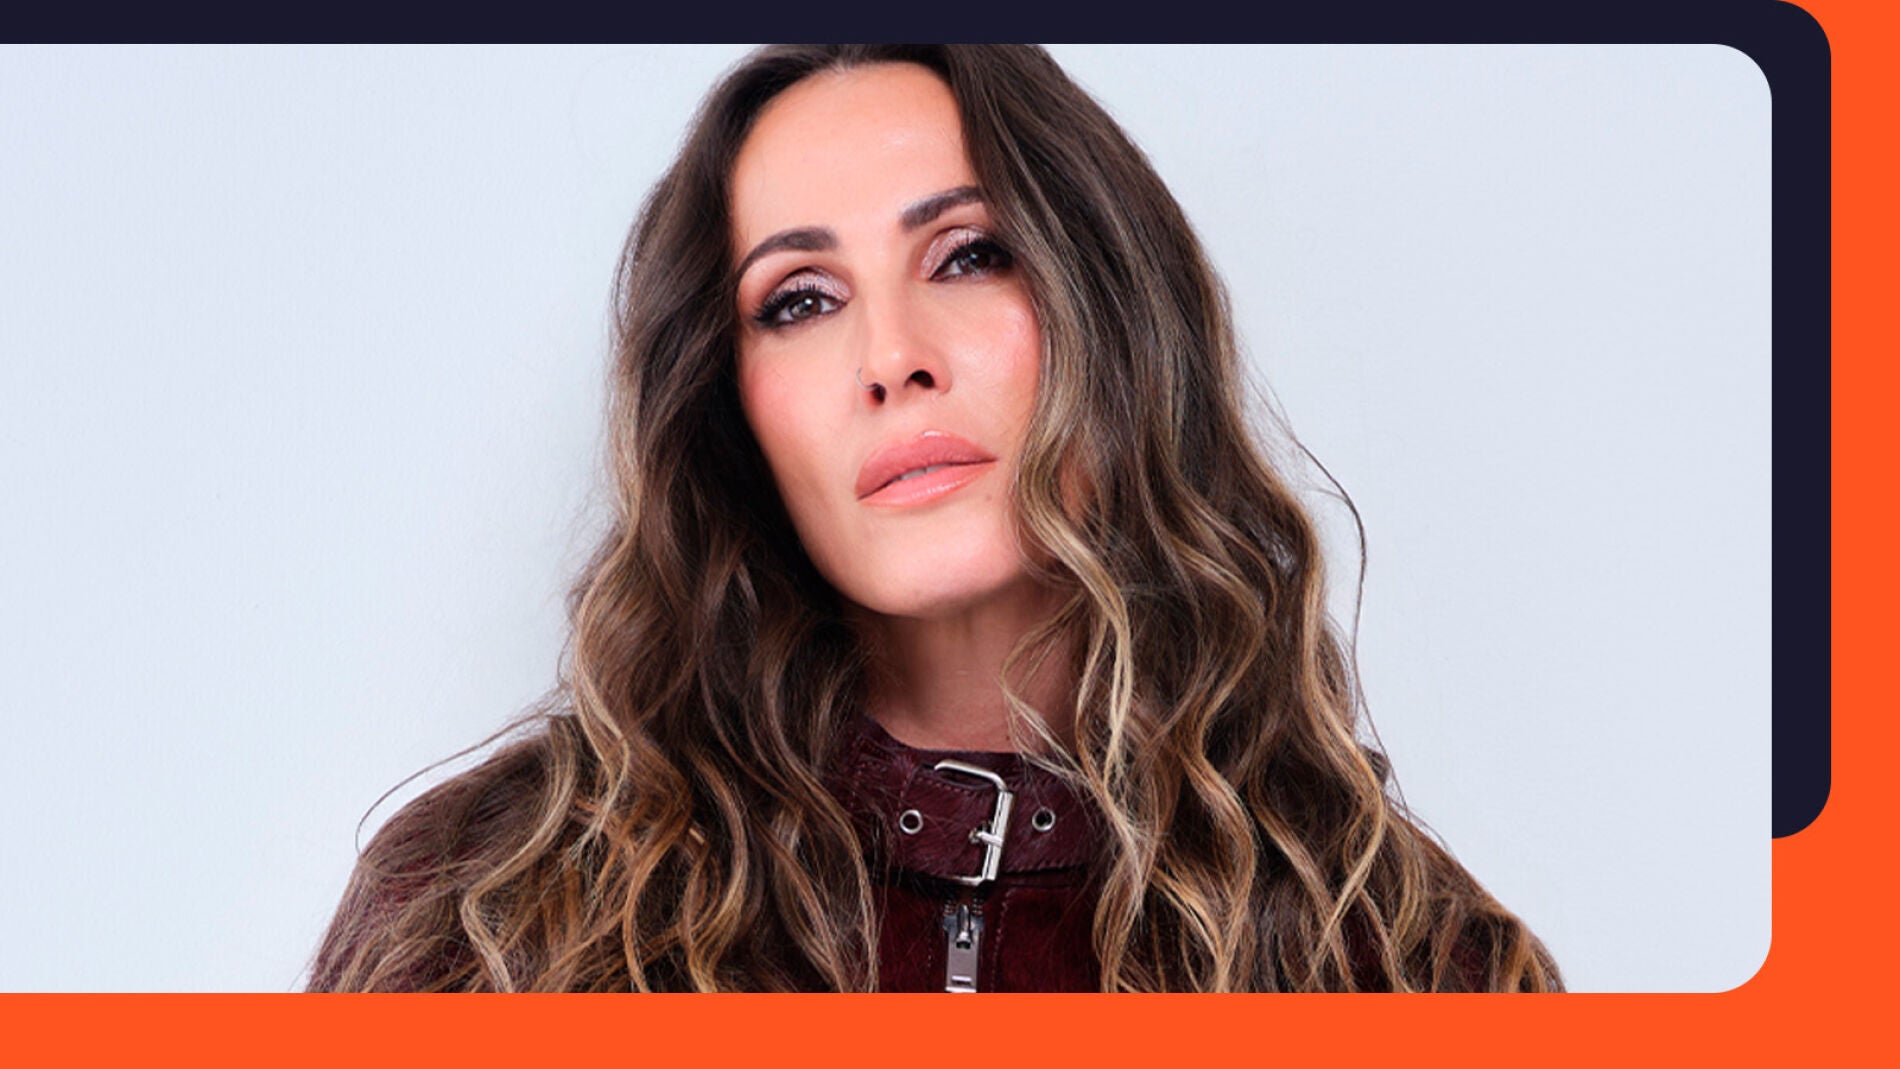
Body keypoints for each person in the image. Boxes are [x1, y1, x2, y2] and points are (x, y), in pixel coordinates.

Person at [308, 44, 1562, 993]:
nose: (891, 357)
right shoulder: (486, 917)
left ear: (1112, 316)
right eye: (799, 299)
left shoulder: (1409, 960)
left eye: (968, 255)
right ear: (731, 410)